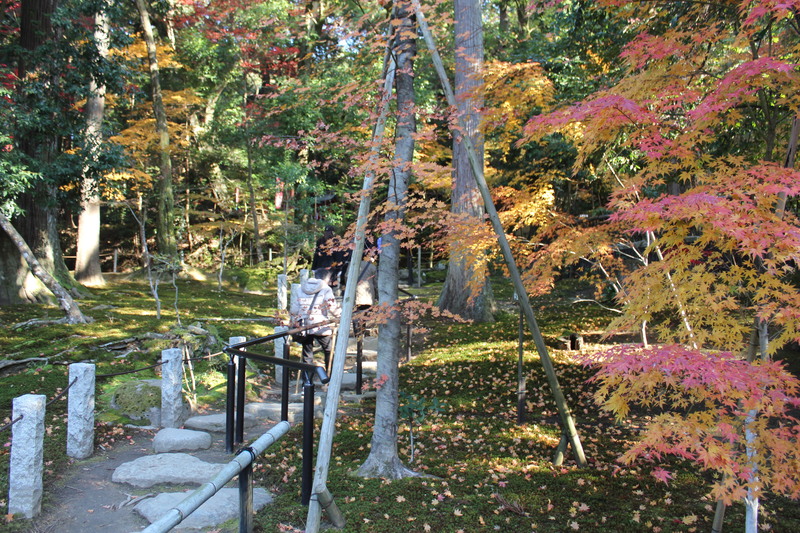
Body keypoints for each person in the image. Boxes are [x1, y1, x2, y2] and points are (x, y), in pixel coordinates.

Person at [290, 268, 340, 368]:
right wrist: (340, 316)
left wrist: (294, 320)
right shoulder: (326, 289)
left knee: (307, 354)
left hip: (305, 326)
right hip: (321, 325)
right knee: (328, 350)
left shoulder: (301, 288)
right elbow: (332, 307)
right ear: (327, 278)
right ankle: (329, 377)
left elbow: (294, 310)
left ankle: (307, 382)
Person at [353, 245, 378, 339]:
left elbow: (347, 277)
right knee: (365, 313)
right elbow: (376, 282)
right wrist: (377, 295)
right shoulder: (372, 267)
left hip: (356, 293)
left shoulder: (354, 266)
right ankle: (362, 332)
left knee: (356, 313)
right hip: (368, 294)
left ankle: (357, 334)